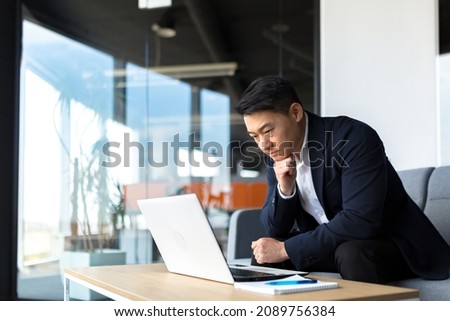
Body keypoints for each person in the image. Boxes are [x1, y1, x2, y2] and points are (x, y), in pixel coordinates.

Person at [234, 75, 450, 284]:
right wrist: (285, 188)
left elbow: (360, 220)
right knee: (265, 255)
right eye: (254, 136)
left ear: (296, 112)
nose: (263, 145)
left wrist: (286, 249)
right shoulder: (278, 152)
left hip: (393, 244)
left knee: (351, 253)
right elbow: (274, 228)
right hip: (335, 246)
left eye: (268, 131)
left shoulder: (352, 138)